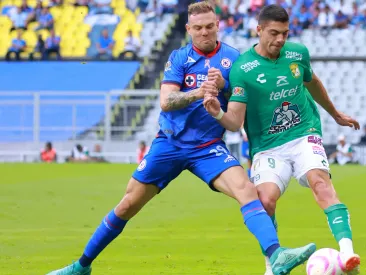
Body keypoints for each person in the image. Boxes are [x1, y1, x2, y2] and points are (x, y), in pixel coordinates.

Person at [45, 2, 315, 275]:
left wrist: (225, 86)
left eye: (209, 26)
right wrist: (199, 92)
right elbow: (166, 101)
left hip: (208, 147)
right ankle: (82, 266)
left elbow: (239, 104)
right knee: (127, 204)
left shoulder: (235, 60)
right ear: (188, 29)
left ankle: (276, 255)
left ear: (218, 25)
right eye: (198, 28)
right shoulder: (179, 58)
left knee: (247, 190)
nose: (204, 33)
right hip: (170, 144)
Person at [203, 4, 361, 275]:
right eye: (274, 33)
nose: (280, 40)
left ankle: (347, 253)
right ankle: (272, 265)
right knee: (265, 201)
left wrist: (334, 114)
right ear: (259, 30)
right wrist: (218, 112)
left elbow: (312, 82)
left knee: (320, 182)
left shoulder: (298, 53)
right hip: (267, 146)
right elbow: (235, 123)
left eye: (285, 34)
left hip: (303, 133)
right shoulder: (243, 69)